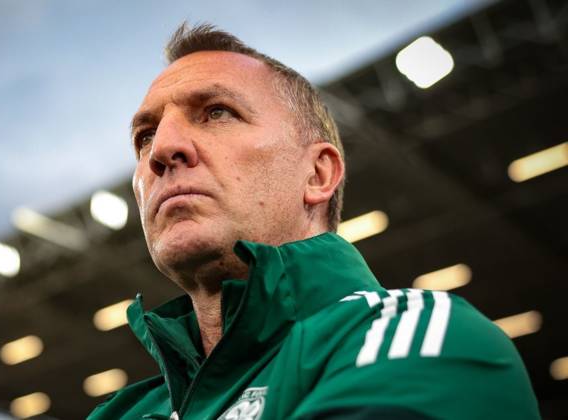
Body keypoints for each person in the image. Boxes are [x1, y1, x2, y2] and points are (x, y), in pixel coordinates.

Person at [88, 23, 539, 420]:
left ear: (318, 174)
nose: (161, 150)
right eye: (145, 136)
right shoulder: (119, 413)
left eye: (217, 112)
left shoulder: (420, 339)